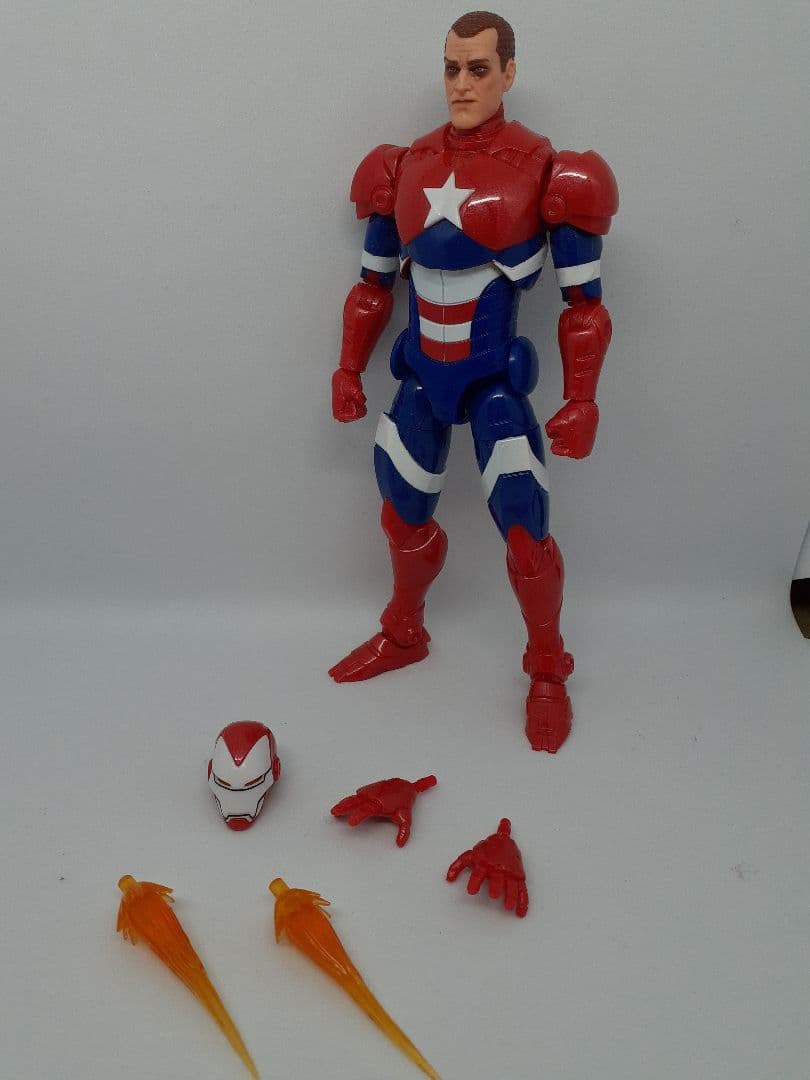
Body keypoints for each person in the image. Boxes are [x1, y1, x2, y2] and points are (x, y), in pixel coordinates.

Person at [329, 11, 618, 753]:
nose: (461, 84)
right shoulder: (403, 165)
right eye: (452, 68)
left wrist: (583, 400)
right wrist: (348, 366)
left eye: (479, 69)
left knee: (524, 530)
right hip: (420, 377)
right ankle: (405, 630)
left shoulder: (550, 171)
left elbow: (584, 306)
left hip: (493, 383)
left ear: (509, 72)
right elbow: (371, 286)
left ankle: (547, 666)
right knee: (401, 514)